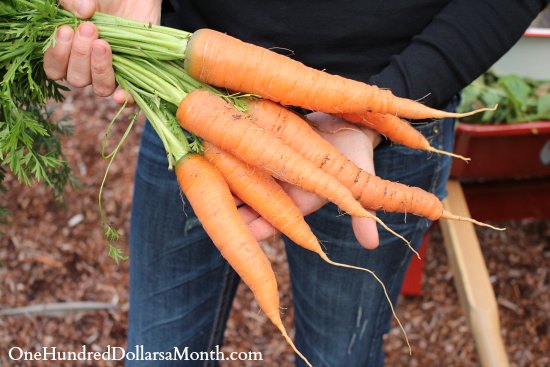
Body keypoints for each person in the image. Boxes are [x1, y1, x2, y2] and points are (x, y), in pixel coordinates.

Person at [45, 1, 548, 366]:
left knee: (340, 358)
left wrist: (383, 108)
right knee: (161, 353)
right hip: (191, 107)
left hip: (384, 109)